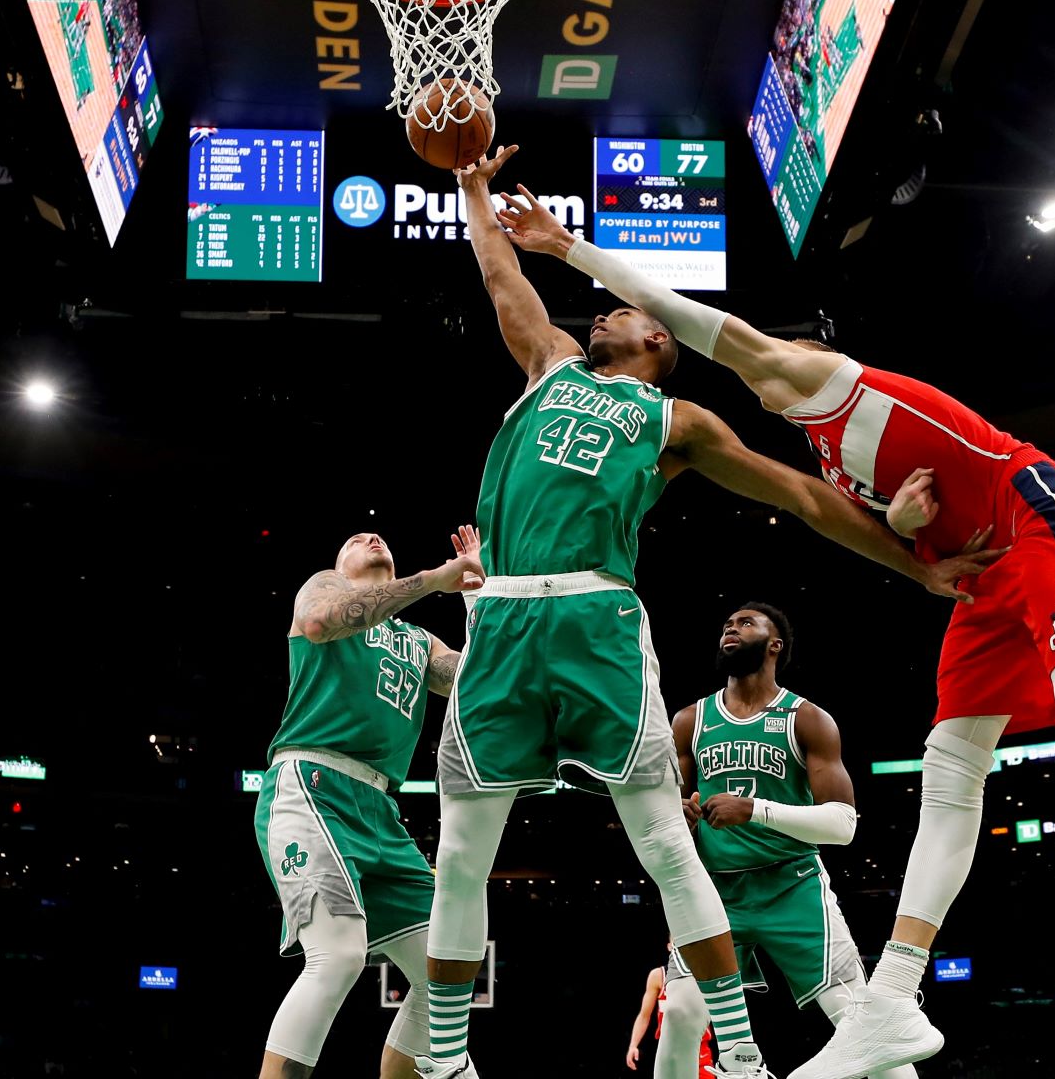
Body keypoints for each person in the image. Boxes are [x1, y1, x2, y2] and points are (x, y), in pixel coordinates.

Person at [492, 177, 1055, 1077]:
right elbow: (852, 512)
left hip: (1039, 514)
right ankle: (891, 1000)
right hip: (984, 576)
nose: (760, 366)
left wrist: (568, 248)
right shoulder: (833, 460)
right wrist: (914, 539)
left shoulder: (818, 380)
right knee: (951, 765)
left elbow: (686, 316)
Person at [415, 147, 998, 1079]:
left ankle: (751, 1061)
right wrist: (470, 186)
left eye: (628, 312)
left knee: (662, 842)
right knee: (460, 853)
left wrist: (915, 568)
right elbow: (497, 272)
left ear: (657, 347)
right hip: (502, 620)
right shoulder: (548, 364)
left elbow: (803, 496)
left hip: (593, 618)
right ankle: (448, 1060)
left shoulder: (677, 421)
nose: (605, 310)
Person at [257, 528, 485, 1079]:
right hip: (312, 782)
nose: (371, 536)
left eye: (377, 536)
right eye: (357, 539)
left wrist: (477, 593)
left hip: (380, 808)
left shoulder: (418, 640)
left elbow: (480, 682)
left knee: (450, 967)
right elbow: (318, 622)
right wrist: (434, 580)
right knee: (337, 957)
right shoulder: (325, 586)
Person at [670, 603, 915, 1079]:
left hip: (793, 884)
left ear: (775, 644)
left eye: (746, 623)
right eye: (727, 624)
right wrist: (680, 813)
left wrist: (753, 810)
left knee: (860, 1024)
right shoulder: (689, 720)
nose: (731, 628)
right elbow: (672, 811)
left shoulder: (807, 719)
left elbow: (843, 825)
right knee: (680, 1014)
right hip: (715, 892)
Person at [625, 939, 713, 1077]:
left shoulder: (704, 973)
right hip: (670, 1044)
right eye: (677, 940)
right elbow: (644, 1015)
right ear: (669, 946)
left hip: (700, 1047)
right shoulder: (658, 975)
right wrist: (633, 1045)